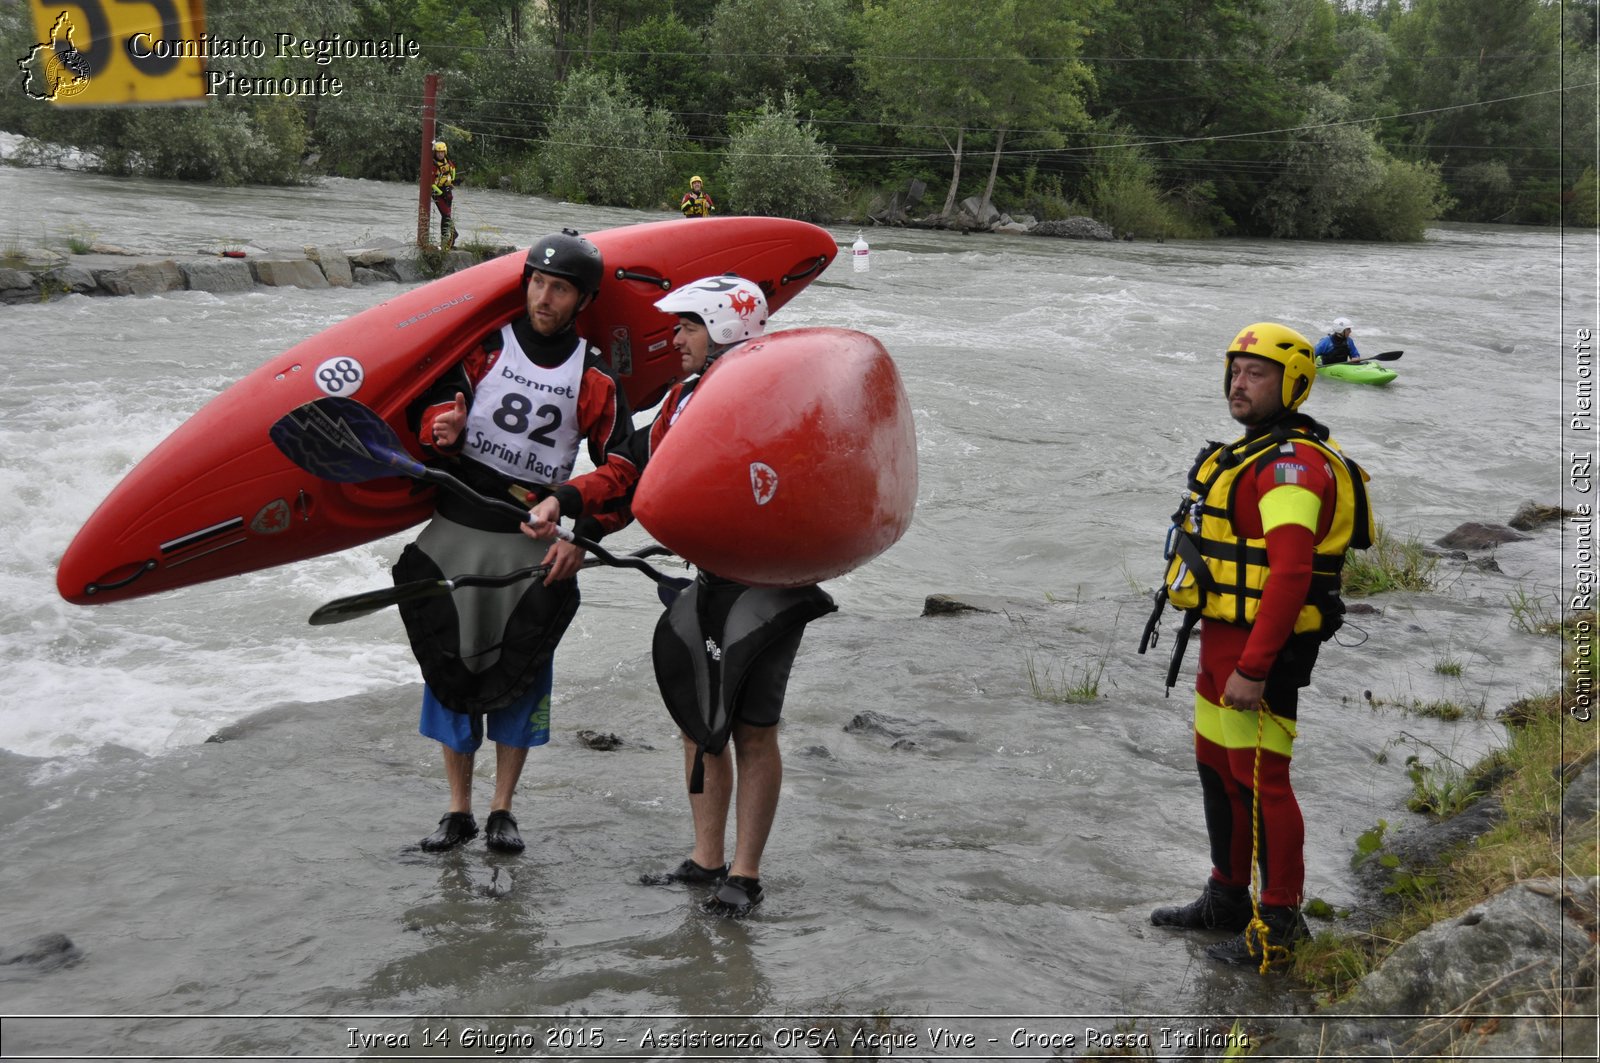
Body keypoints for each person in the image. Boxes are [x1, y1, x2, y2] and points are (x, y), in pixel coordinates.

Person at [523, 275, 834, 917]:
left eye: (688, 326)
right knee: (700, 724)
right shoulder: (684, 398)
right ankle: (706, 861)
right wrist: (573, 513)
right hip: (713, 579)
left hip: (770, 586)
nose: (675, 337)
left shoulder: (769, 396)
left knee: (752, 729)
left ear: (723, 329)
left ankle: (744, 876)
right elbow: (632, 470)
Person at [1140, 322, 1373, 967]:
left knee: (1265, 781)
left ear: (1292, 384)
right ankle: (1226, 898)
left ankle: (1279, 926)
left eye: (1257, 373)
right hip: (1222, 644)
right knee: (1218, 770)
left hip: (1260, 656)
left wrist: (1253, 667)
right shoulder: (1250, 454)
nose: (1240, 383)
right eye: (1236, 370)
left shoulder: (1291, 470)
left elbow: (1294, 573)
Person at [400, 230, 638, 854]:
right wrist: (442, 428)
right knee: (448, 666)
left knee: (521, 675)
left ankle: (503, 809)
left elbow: (622, 467)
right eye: (536, 282)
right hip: (456, 531)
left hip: (532, 545)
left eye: (559, 289)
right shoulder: (482, 350)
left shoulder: (594, 374)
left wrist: (581, 532)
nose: (543, 296)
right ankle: (457, 811)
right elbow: (424, 412)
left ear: (582, 300)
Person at [429, 140, 458, 250]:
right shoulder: (433, 165)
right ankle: (452, 235)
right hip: (437, 192)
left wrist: (451, 183)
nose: (440, 154)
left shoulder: (448, 162)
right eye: (438, 152)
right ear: (435, 153)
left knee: (445, 217)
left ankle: (446, 242)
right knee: (446, 215)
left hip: (447, 191)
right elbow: (431, 183)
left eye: (442, 152)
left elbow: (453, 170)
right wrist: (441, 192)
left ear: (445, 152)